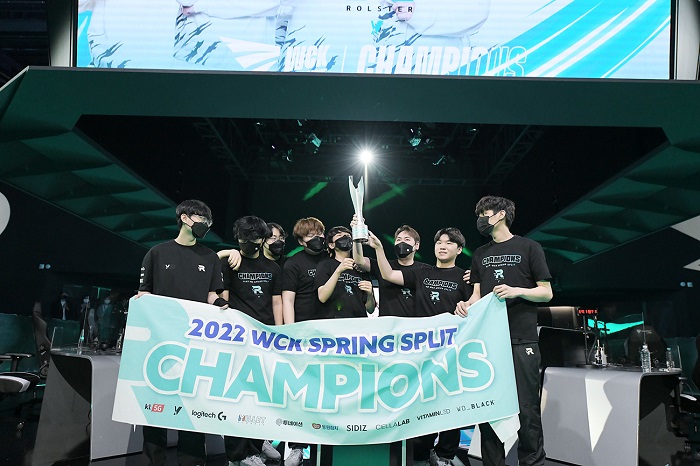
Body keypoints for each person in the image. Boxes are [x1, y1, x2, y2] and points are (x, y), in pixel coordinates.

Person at [455, 195, 553, 466]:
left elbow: (546, 292)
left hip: (522, 340)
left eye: (484, 213)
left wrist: (516, 291)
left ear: (500, 215)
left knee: (527, 408)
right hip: (489, 344)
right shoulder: (479, 254)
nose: (480, 219)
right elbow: (477, 295)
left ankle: (532, 462)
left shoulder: (529, 247)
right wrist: (466, 304)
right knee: (489, 409)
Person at [367, 226, 472, 466]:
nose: (442, 246)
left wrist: (468, 300)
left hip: (450, 350)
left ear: (459, 249)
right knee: (423, 403)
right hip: (422, 351)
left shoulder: (463, 277)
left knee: (450, 403)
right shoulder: (422, 272)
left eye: (449, 243)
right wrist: (379, 249)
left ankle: (445, 455)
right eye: (439, 242)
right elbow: (388, 275)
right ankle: (424, 452)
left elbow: (474, 303)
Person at [136, 199, 226, 466]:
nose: (205, 225)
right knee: (156, 405)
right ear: (185, 218)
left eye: (208, 221)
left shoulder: (209, 257)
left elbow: (212, 294)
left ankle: (192, 461)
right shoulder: (157, 253)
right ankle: (154, 461)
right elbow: (144, 293)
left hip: (195, 343)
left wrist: (221, 305)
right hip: (160, 343)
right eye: (201, 219)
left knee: (192, 406)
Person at [220, 215, 282, 466]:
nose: (249, 243)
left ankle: (256, 448)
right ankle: (237, 455)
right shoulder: (230, 263)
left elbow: (276, 302)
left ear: (262, 239)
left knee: (259, 397)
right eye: (244, 239)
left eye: (255, 239)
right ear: (238, 238)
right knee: (236, 397)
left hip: (264, 339)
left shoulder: (273, 269)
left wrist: (280, 333)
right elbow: (223, 298)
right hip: (237, 339)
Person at [280, 216, 328, 466]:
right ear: (301, 240)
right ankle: (297, 448)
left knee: (329, 393)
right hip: (304, 334)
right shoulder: (294, 263)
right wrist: (292, 333)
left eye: (320, 233)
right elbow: (287, 300)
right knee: (301, 394)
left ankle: (329, 443)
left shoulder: (332, 258)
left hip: (331, 336)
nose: (317, 238)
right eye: (311, 235)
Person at [353, 223, 429, 317]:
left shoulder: (424, 270)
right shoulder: (383, 265)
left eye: (407, 239)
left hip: (413, 323)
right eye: (398, 239)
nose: (402, 243)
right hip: (388, 323)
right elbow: (359, 261)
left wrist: (379, 248)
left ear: (416, 245)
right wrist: (356, 232)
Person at [315, 226, 375, 319]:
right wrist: (338, 271)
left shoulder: (360, 268)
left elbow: (370, 309)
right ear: (331, 245)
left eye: (348, 236)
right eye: (339, 235)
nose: (345, 237)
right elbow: (322, 297)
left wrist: (370, 294)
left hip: (359, 321)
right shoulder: (325, 265)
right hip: (334, 321)